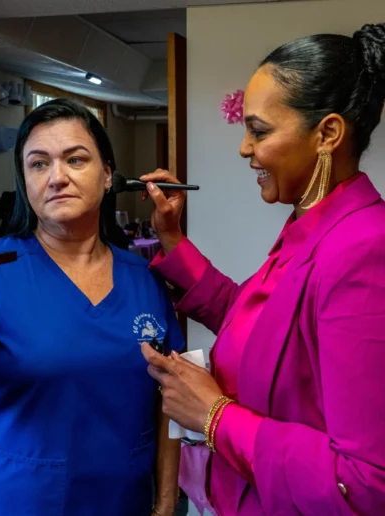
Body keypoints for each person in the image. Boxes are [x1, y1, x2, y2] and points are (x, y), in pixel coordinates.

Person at [141, 22, 385, 515]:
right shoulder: (312, 225)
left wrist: (214, 416)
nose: (244, 149)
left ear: (328, 134)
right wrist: (173, 241)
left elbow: (363, 484)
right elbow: (262, 323)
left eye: (259, 131)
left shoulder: (364, 248)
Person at [0, 98, 183, 516]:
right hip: (23, 500)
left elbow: (172, 396)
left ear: (108, 174)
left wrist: (167, 502)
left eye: (75, 159)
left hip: (125, 500)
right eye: (38, 164)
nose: (56, 177)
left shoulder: (143, 277)